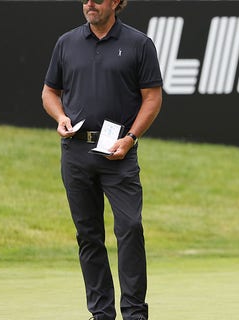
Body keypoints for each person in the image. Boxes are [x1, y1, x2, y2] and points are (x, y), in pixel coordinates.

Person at [41, 0, 162, 318]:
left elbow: (152, 97)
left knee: (130, 227)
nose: (89, 4)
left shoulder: (139, 44)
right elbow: (49, 91)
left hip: (118, 152)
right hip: (76, 152)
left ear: (117, 3)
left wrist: (131, 137)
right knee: (88, 235)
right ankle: (101, 313)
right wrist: (60, 117)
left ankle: (135, 312)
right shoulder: (67, 43)